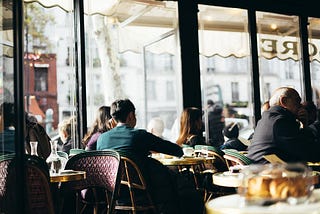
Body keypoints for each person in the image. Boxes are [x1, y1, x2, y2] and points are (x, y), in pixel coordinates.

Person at [97, 99, 203, 214]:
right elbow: (175, 150)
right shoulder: (140, 135)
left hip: (114, 194)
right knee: (186, 191)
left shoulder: (102, 139)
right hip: (143, 192)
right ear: (131, 116)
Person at [247, 87, 320, 164]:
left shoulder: (269, 118)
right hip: (269, 172)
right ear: (284, 101)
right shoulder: (280, 121)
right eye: (297, 101)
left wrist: (304, 125)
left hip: (262, 169)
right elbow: (309, 152)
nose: (300, 106)